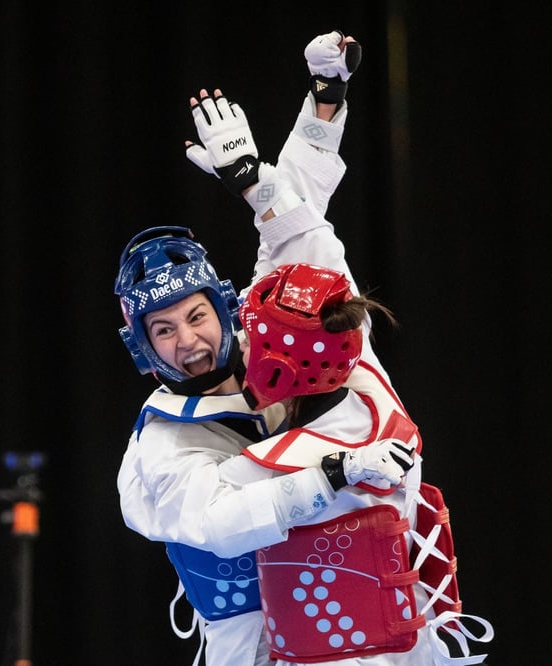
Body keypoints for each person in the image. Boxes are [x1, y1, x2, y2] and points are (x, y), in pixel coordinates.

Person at [180, 33, 495, 666]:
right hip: (403, 639)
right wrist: (311, 120)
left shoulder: (284, 461)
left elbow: (199, 519)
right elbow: (305, 239)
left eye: (250, 336)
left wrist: (255, 182)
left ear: (279, 370)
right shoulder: (356, 361)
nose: (237, 339)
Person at [115, 30, 415, 666]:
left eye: (196, 316)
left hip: (383, 634)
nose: (188, 341)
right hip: (260, 651)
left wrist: (319, 110)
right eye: (163, 330)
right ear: (142, 349)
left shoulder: (285, 338)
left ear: (228, 309)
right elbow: (219, 519)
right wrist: (332, 475)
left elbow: (307, 252)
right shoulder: (160, 444)